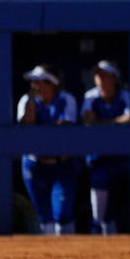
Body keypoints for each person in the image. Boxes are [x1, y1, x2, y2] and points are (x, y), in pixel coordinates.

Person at [18, 63, 80, 236]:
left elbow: (67, 127)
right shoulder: (26, 100)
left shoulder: (66, 99)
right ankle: (50, 257)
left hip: (63, 164)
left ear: (52, 83)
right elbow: (25, 126)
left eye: (39, 81)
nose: (34, 86)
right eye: (33, 81)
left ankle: (71, 255)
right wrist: (31, 102)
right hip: (35, 164)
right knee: (44, 217)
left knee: (63, 214)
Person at [81, 59, 130, 235]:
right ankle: (98, 224)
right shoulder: (91, 97)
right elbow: (88, 121)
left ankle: (100, 225)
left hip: (122, 157)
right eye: (98, 76)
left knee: (113, 195)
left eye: (106, 76)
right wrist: (114, 123)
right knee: (99, 179)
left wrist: (102, 123)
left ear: (115, 78)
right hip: (97, 156)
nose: (101, 79)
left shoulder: (124, 96)